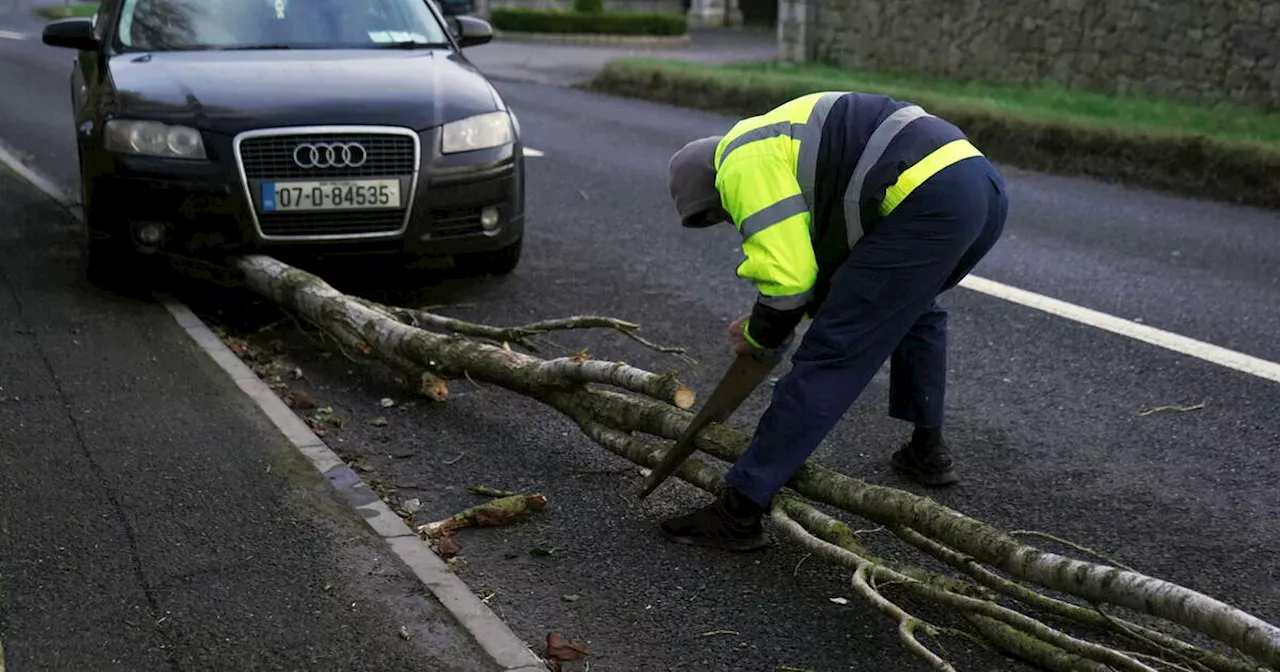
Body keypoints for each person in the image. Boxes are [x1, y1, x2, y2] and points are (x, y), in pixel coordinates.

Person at [661, 91, 1009, 552]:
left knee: (833, 352)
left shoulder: (740, 160)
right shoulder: (787, 147)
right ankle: (927, 452)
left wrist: (760, 337)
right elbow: (828, 277)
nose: (728, 219)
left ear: (712, 182)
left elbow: (788, 282)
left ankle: (739, 511)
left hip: (925, 199)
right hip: (979, 185)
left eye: (719, 212)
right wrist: (778, 317)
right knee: (915, 312)